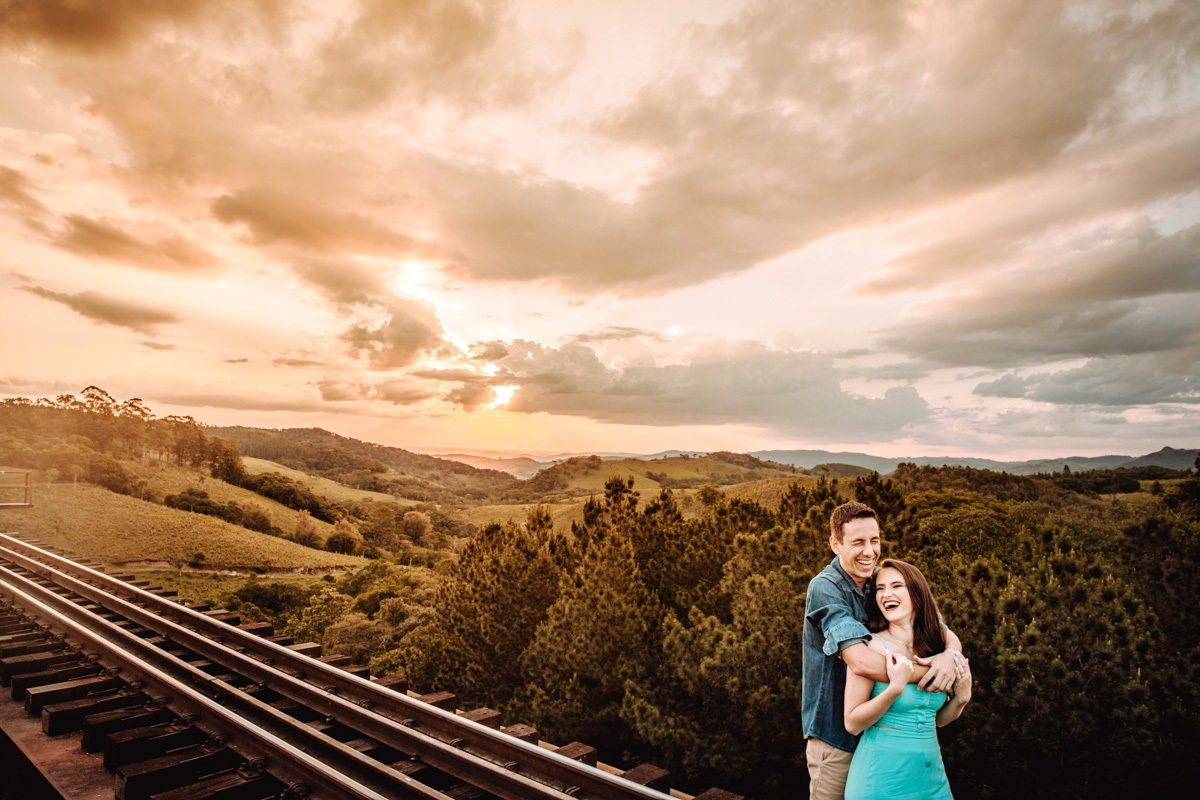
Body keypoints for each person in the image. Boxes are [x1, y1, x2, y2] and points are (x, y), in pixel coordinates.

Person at [802, 502, 964, 800]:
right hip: (837, 737)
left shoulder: (882, 580)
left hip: (884, 735)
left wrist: (949, 657)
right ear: (836, 545)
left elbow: (939, 628)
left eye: (874, 540)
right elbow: (861, 662)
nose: (869, 551)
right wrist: (932, 672)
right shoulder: (826, 587)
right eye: (858, 542)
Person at [843, 559, 972, 799]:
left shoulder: (937, 648)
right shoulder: (872, 646)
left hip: (932, 779)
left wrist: (961, 699)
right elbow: (852, 723)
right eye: (880, 588)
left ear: (917, 593)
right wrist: (894, 689)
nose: (886, 594)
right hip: (881, 780)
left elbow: (937, 720)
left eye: (896, 586)